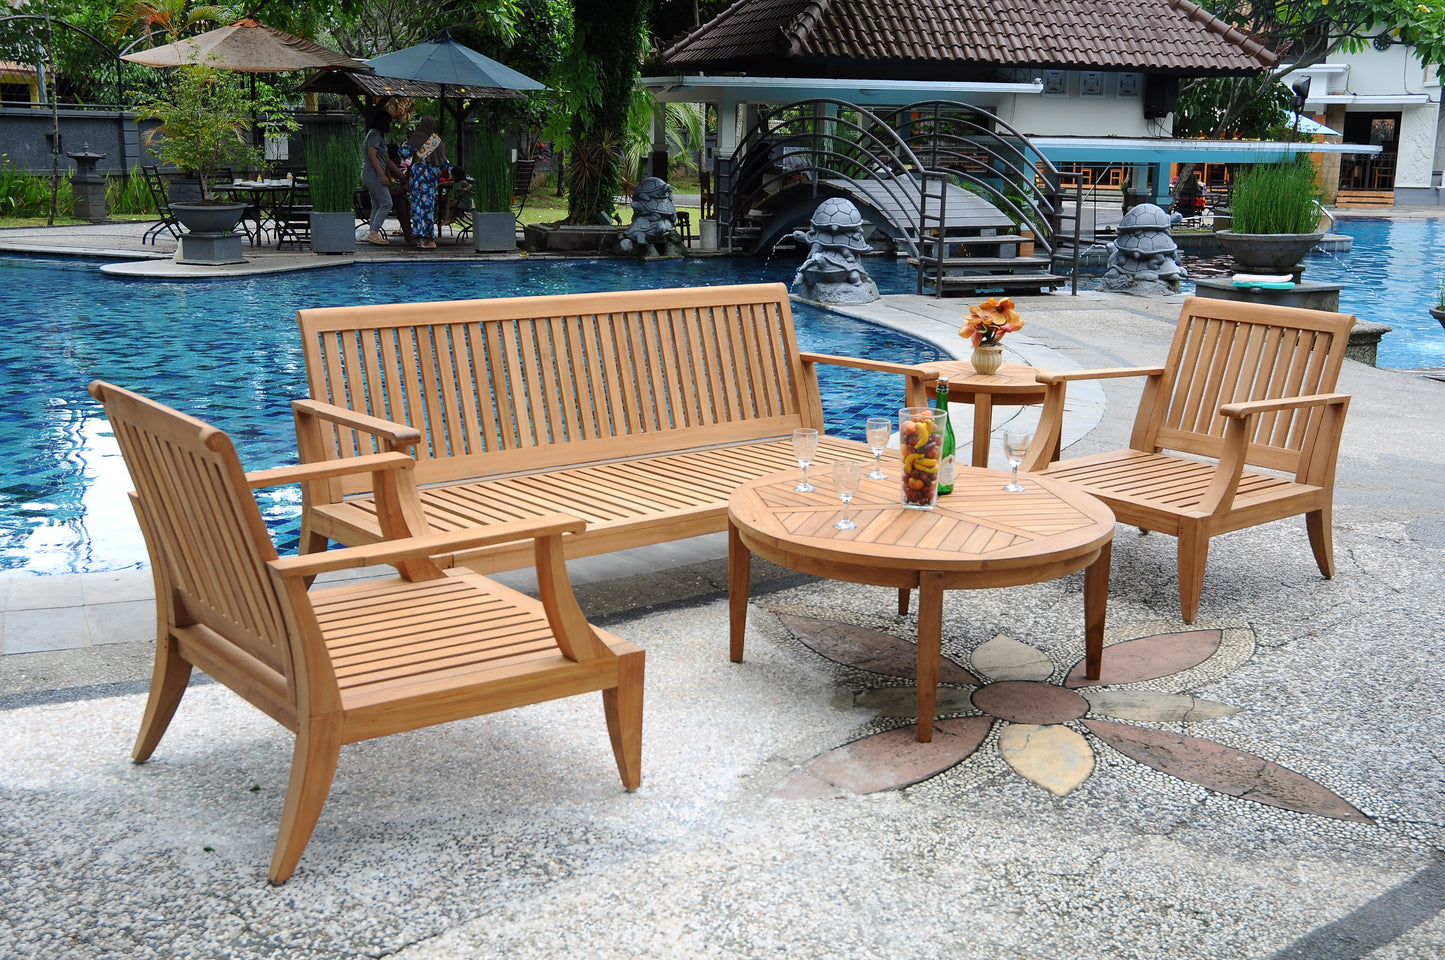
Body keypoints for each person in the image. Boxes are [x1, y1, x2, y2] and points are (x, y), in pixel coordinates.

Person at [401, 115, 447, 250]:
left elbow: (403, 152)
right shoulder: (437, 141)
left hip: (418, 176)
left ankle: (420, 237)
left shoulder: (417, 137)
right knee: (428, 207)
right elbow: (444, 162)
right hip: (432, 176)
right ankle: (428, 238)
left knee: (417, 206)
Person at [360, 108, 404, 245]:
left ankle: (372, 232)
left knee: (377, 204)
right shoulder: (374, 135)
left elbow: (387, 160)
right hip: (372, 174)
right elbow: (372, 156)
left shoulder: (378, 136)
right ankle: (374, 232)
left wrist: (401, 175)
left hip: (371, 174)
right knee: (387, 203)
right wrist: (382, 175)